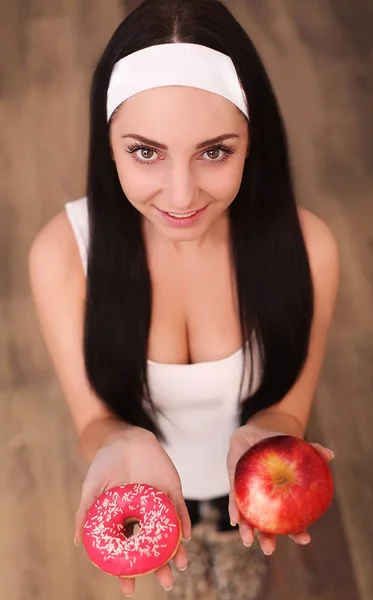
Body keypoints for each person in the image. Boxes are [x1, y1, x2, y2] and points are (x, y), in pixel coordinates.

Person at [29, 0, 339, 598]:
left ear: (253, 142)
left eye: (215, 151)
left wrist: (267, 433)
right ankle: (194, 537)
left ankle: (224, 534)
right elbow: (95, 421)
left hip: (248, 477)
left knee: (234, 539)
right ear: (109, 145)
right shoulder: (61, 254)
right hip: (141, 482)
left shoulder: (311, 247)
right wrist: (122, 442)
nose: (181, 194)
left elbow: (288, 412)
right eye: (145, 151)